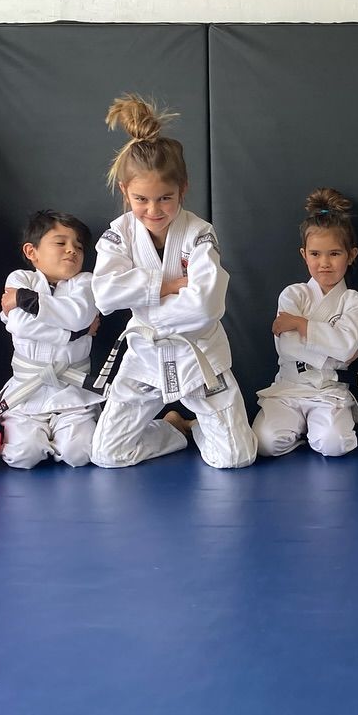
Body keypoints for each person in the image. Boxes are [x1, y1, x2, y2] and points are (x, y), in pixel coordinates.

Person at [89, 94, 256, 470]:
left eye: (165, 198)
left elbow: (205, 306)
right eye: (141, 199)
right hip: (145, 356)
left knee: (236, 458)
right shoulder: (118, 234)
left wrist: (145, 302)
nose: (153, 210)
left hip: (197, 357)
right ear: (125, 193)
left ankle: (201, 428)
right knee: (106, 454)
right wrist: (164, 285)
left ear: (184, 188)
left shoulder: (200, 234)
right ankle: (176, 431)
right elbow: (103, 293)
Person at [252, 189, 358, 458]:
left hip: (329, 390)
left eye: (334, 254)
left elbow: (345, 345)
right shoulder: (293, 294)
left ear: (351, 255)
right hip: (289, 387)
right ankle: (300, 434)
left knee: (334, 445)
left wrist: (301, 324)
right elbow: (288, 348)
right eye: (315, 254)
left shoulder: (354, 302)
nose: (324, 263)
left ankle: (315, 432)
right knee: (263, 444)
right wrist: (337, 350)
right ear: (304, 254)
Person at [0, 210, 103, 468]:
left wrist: (23, 300)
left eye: (78, 246)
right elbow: (20, 325)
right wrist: (75, 334)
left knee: (79, 454)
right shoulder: (20, 279)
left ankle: (170, 428)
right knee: (23, 455)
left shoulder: (86, 282)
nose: (71, 250)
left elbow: (78, 315)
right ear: (32, 252)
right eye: (60, 243)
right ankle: (36, 436)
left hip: (73, 392)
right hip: (26, 391)